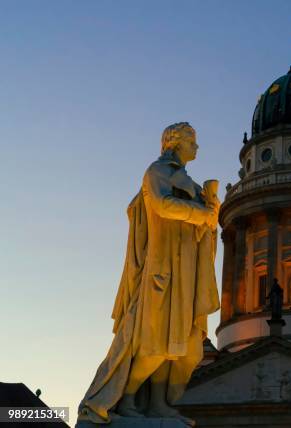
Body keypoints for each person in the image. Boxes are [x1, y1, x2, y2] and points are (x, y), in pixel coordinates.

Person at [78, 122, 220, 426]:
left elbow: (203, 227)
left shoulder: (191, 184)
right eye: (192, 141)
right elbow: (162, 205)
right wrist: (202, 214)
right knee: (156, 343)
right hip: (163, 268)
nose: (197, 147)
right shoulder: (157, 172)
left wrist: (211, 209)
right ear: (176, 142)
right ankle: (128, 397)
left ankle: (158, 402)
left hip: (187, 271)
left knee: (184, 350)